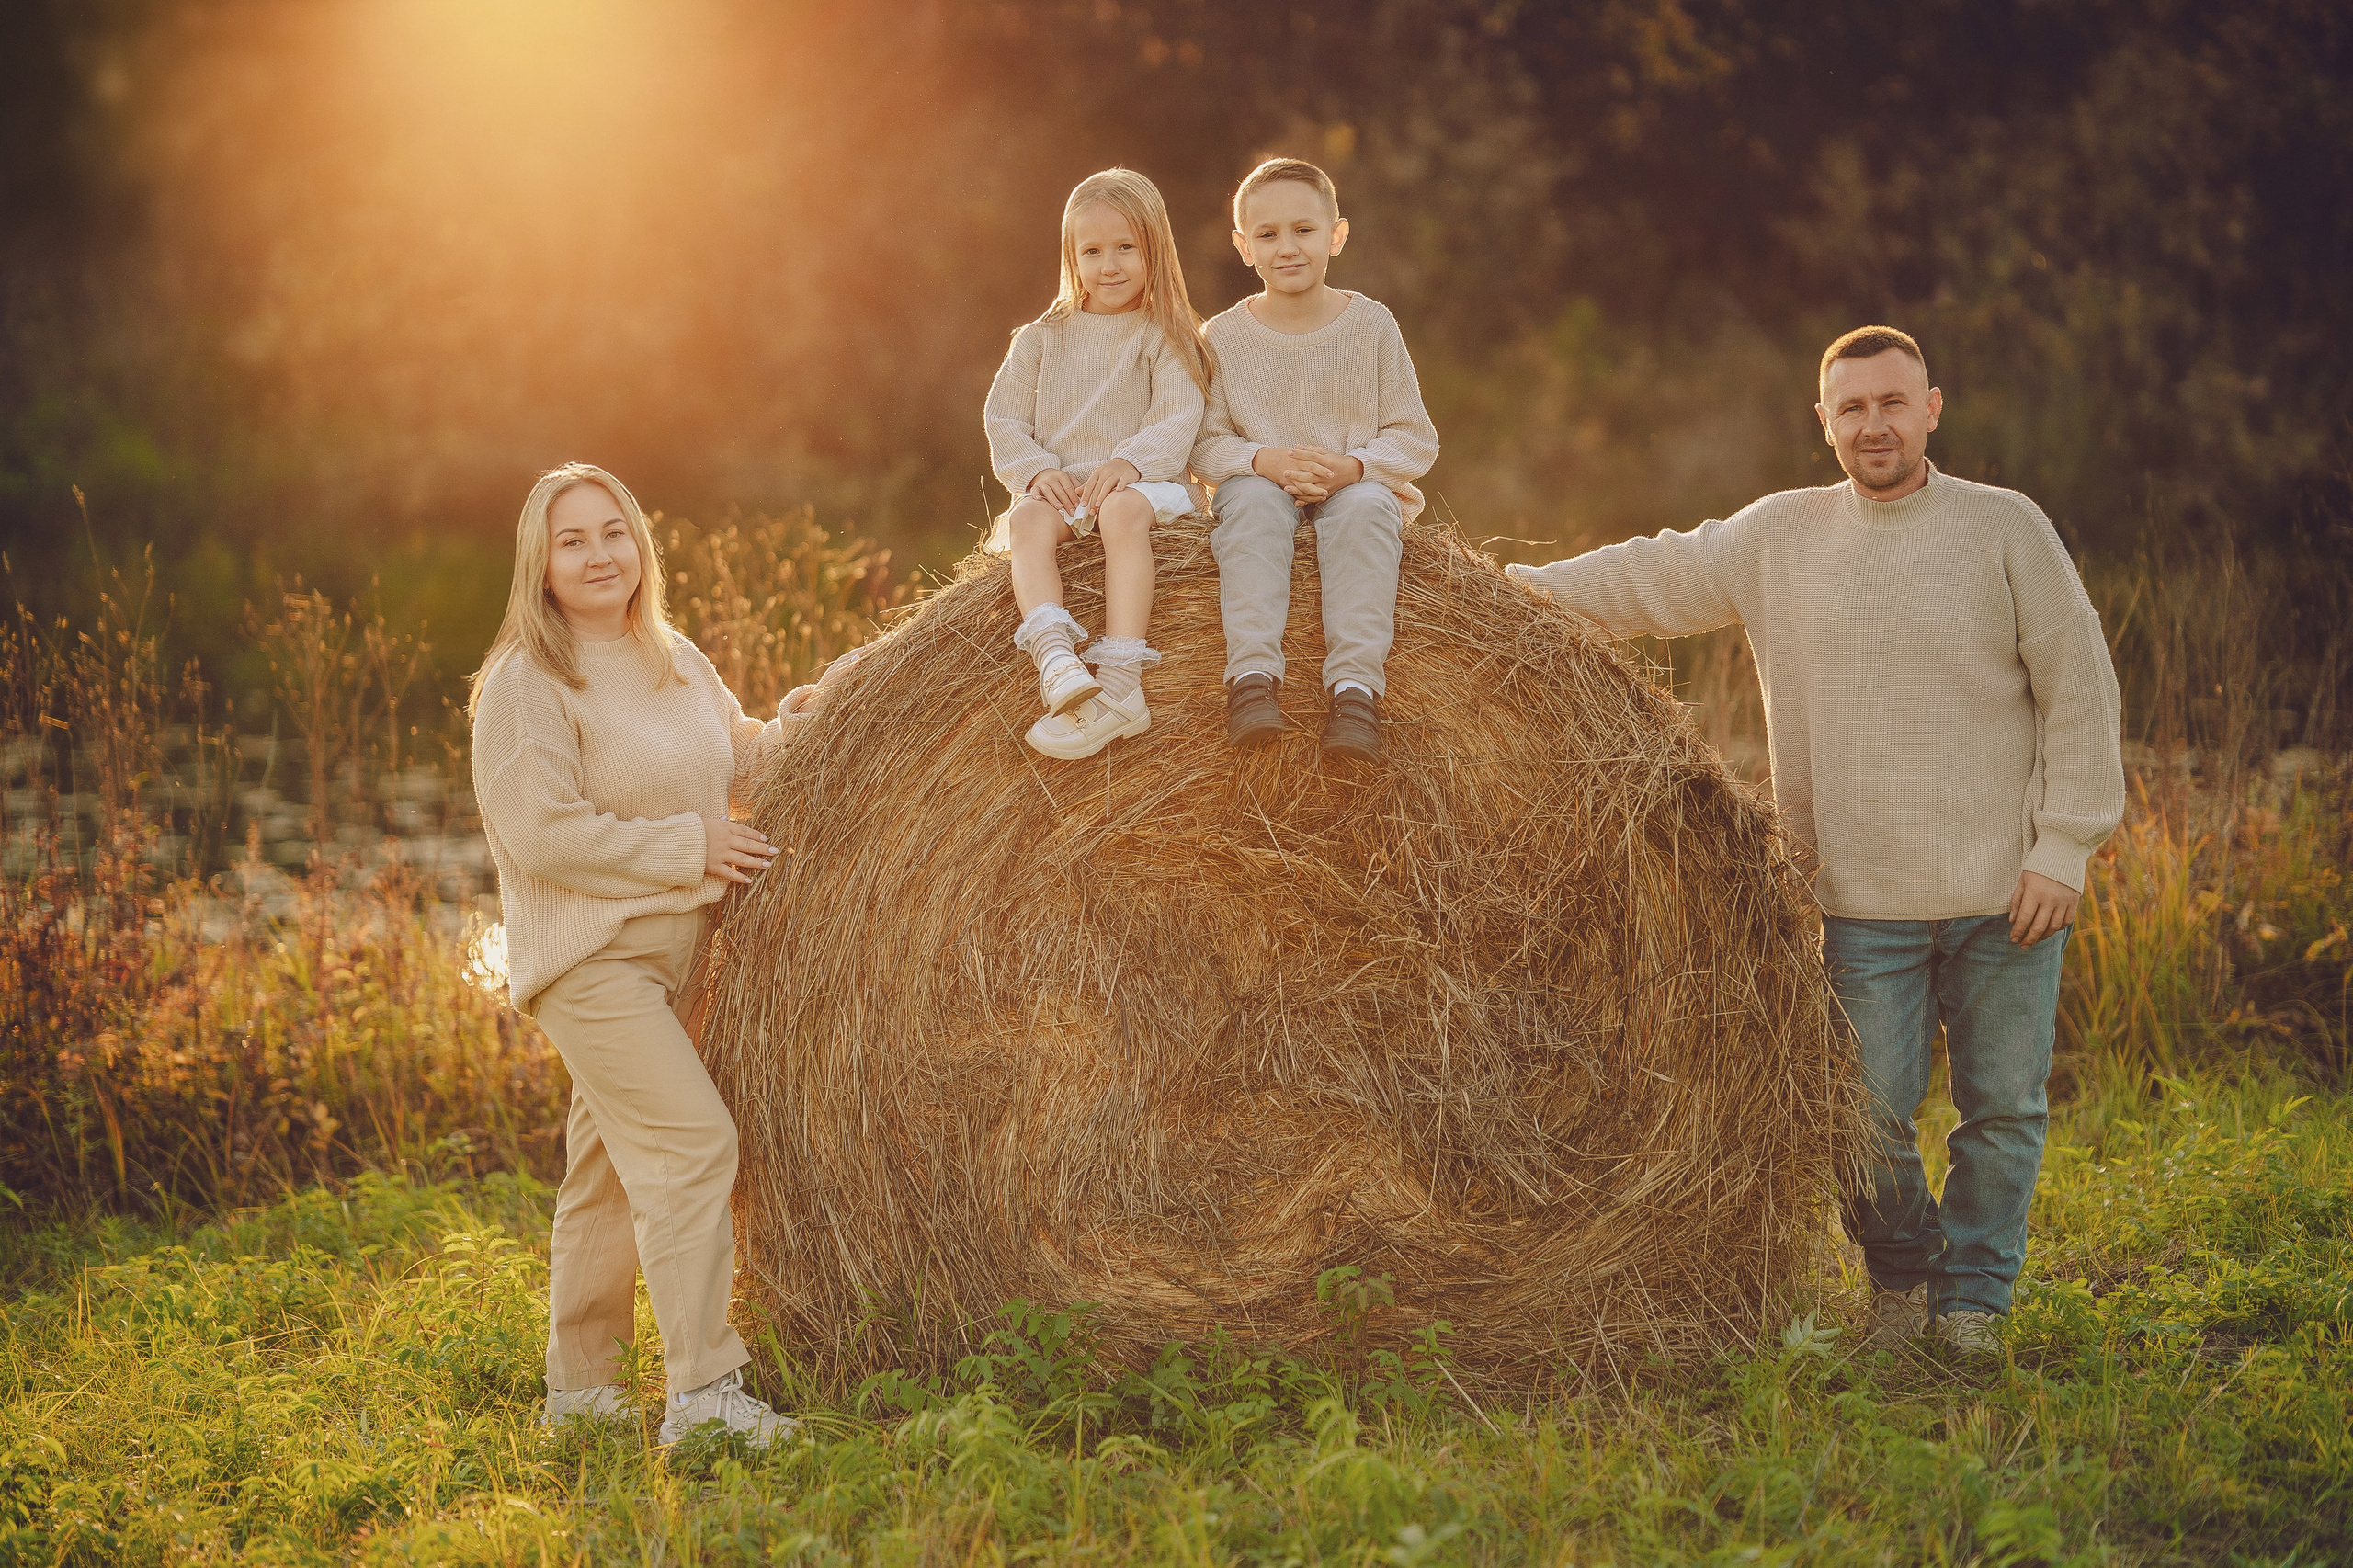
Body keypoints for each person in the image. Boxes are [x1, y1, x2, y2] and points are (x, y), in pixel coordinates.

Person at [1506, 327, 2125, 1357]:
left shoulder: (2004, 526)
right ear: (1823, 423)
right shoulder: (1776, 535)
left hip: (2003, 888)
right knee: (1860, 1114)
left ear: (1931, 406)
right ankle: (1902, 1276)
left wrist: (2063, 845)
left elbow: (2079, 686)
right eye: (1851, 408)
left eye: (1892, 402)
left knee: (2002, 1109)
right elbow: (1643, 576)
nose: (1872, 423)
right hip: (1856, 896)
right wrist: (1482, 588)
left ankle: (1972, 1305)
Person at [468, 461, 802, 1444]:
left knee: (609, 1169)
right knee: (694, 1143)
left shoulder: (673, 655)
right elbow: (541, 832)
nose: (598, 554)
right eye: (572, 539)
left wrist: (824, 715)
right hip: (593, 960)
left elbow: (737, 756)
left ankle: (583, 1392)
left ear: (639, 544)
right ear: (541, 560)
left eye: (612, 532)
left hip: (681, 953)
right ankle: (702, 1397)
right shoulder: (524, 682)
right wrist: (685, 846)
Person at [1190, 157, 1440, 764]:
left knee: (1365, 513)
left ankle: (1355, 693)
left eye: (1303, 230)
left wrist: (1351, 468)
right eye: (1268, 235)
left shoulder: (1372, 325)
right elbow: (1203, 443)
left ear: (1337, 234)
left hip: (1354, 485)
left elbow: (1413, 436)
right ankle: (1251, 681)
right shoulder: (1221, 337)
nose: (1287, 248)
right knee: (1248, 503)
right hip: (1259, 483)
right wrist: (1266, 461)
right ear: (1242, 247)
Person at [984, 166, 1212, 760]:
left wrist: (1132, 463)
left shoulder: (1165, 335)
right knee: (1028, 522)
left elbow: (1179, 415)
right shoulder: (1039, 338)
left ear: (1155, 250)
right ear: (1071, 256)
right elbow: (1003, 420)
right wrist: (1038, 471)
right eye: (1092, 251)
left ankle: (1121, 681)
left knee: (1121, 510)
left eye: (1125, 248)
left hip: (1150, 488)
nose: (1108, 265)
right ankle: (1055, 654)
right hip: (1068, 493)